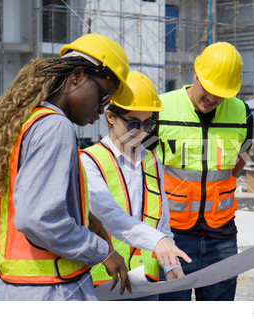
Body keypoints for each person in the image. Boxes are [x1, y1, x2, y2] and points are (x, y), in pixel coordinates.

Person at [0, 33, 134, 301]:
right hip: (51, 291)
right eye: (103, 95)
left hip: (13, 288)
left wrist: (85, 219)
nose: (102, 109)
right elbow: (38, 219)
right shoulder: (57, 126)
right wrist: (102, 251)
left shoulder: (24, 122)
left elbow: (9, 208)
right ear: (77, 77)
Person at [81, 71, 191, 301]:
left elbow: (161, 223)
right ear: (110, 116)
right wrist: (158, 242)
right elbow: (109, 215)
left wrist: (170, 266)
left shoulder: (152, 161)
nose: (142, 133)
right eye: (133, 124)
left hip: (145, 285)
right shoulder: (89, 161)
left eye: (148, 123)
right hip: (102, 285)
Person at [156, 42, 253, 301]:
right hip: (172, 237)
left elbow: (240, 160)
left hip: (221, 237)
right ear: (196, 74)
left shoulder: (242, 113)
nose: (212, 98)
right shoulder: (161, 109)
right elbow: (144, 166)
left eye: (220, 94)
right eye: (208, 89)